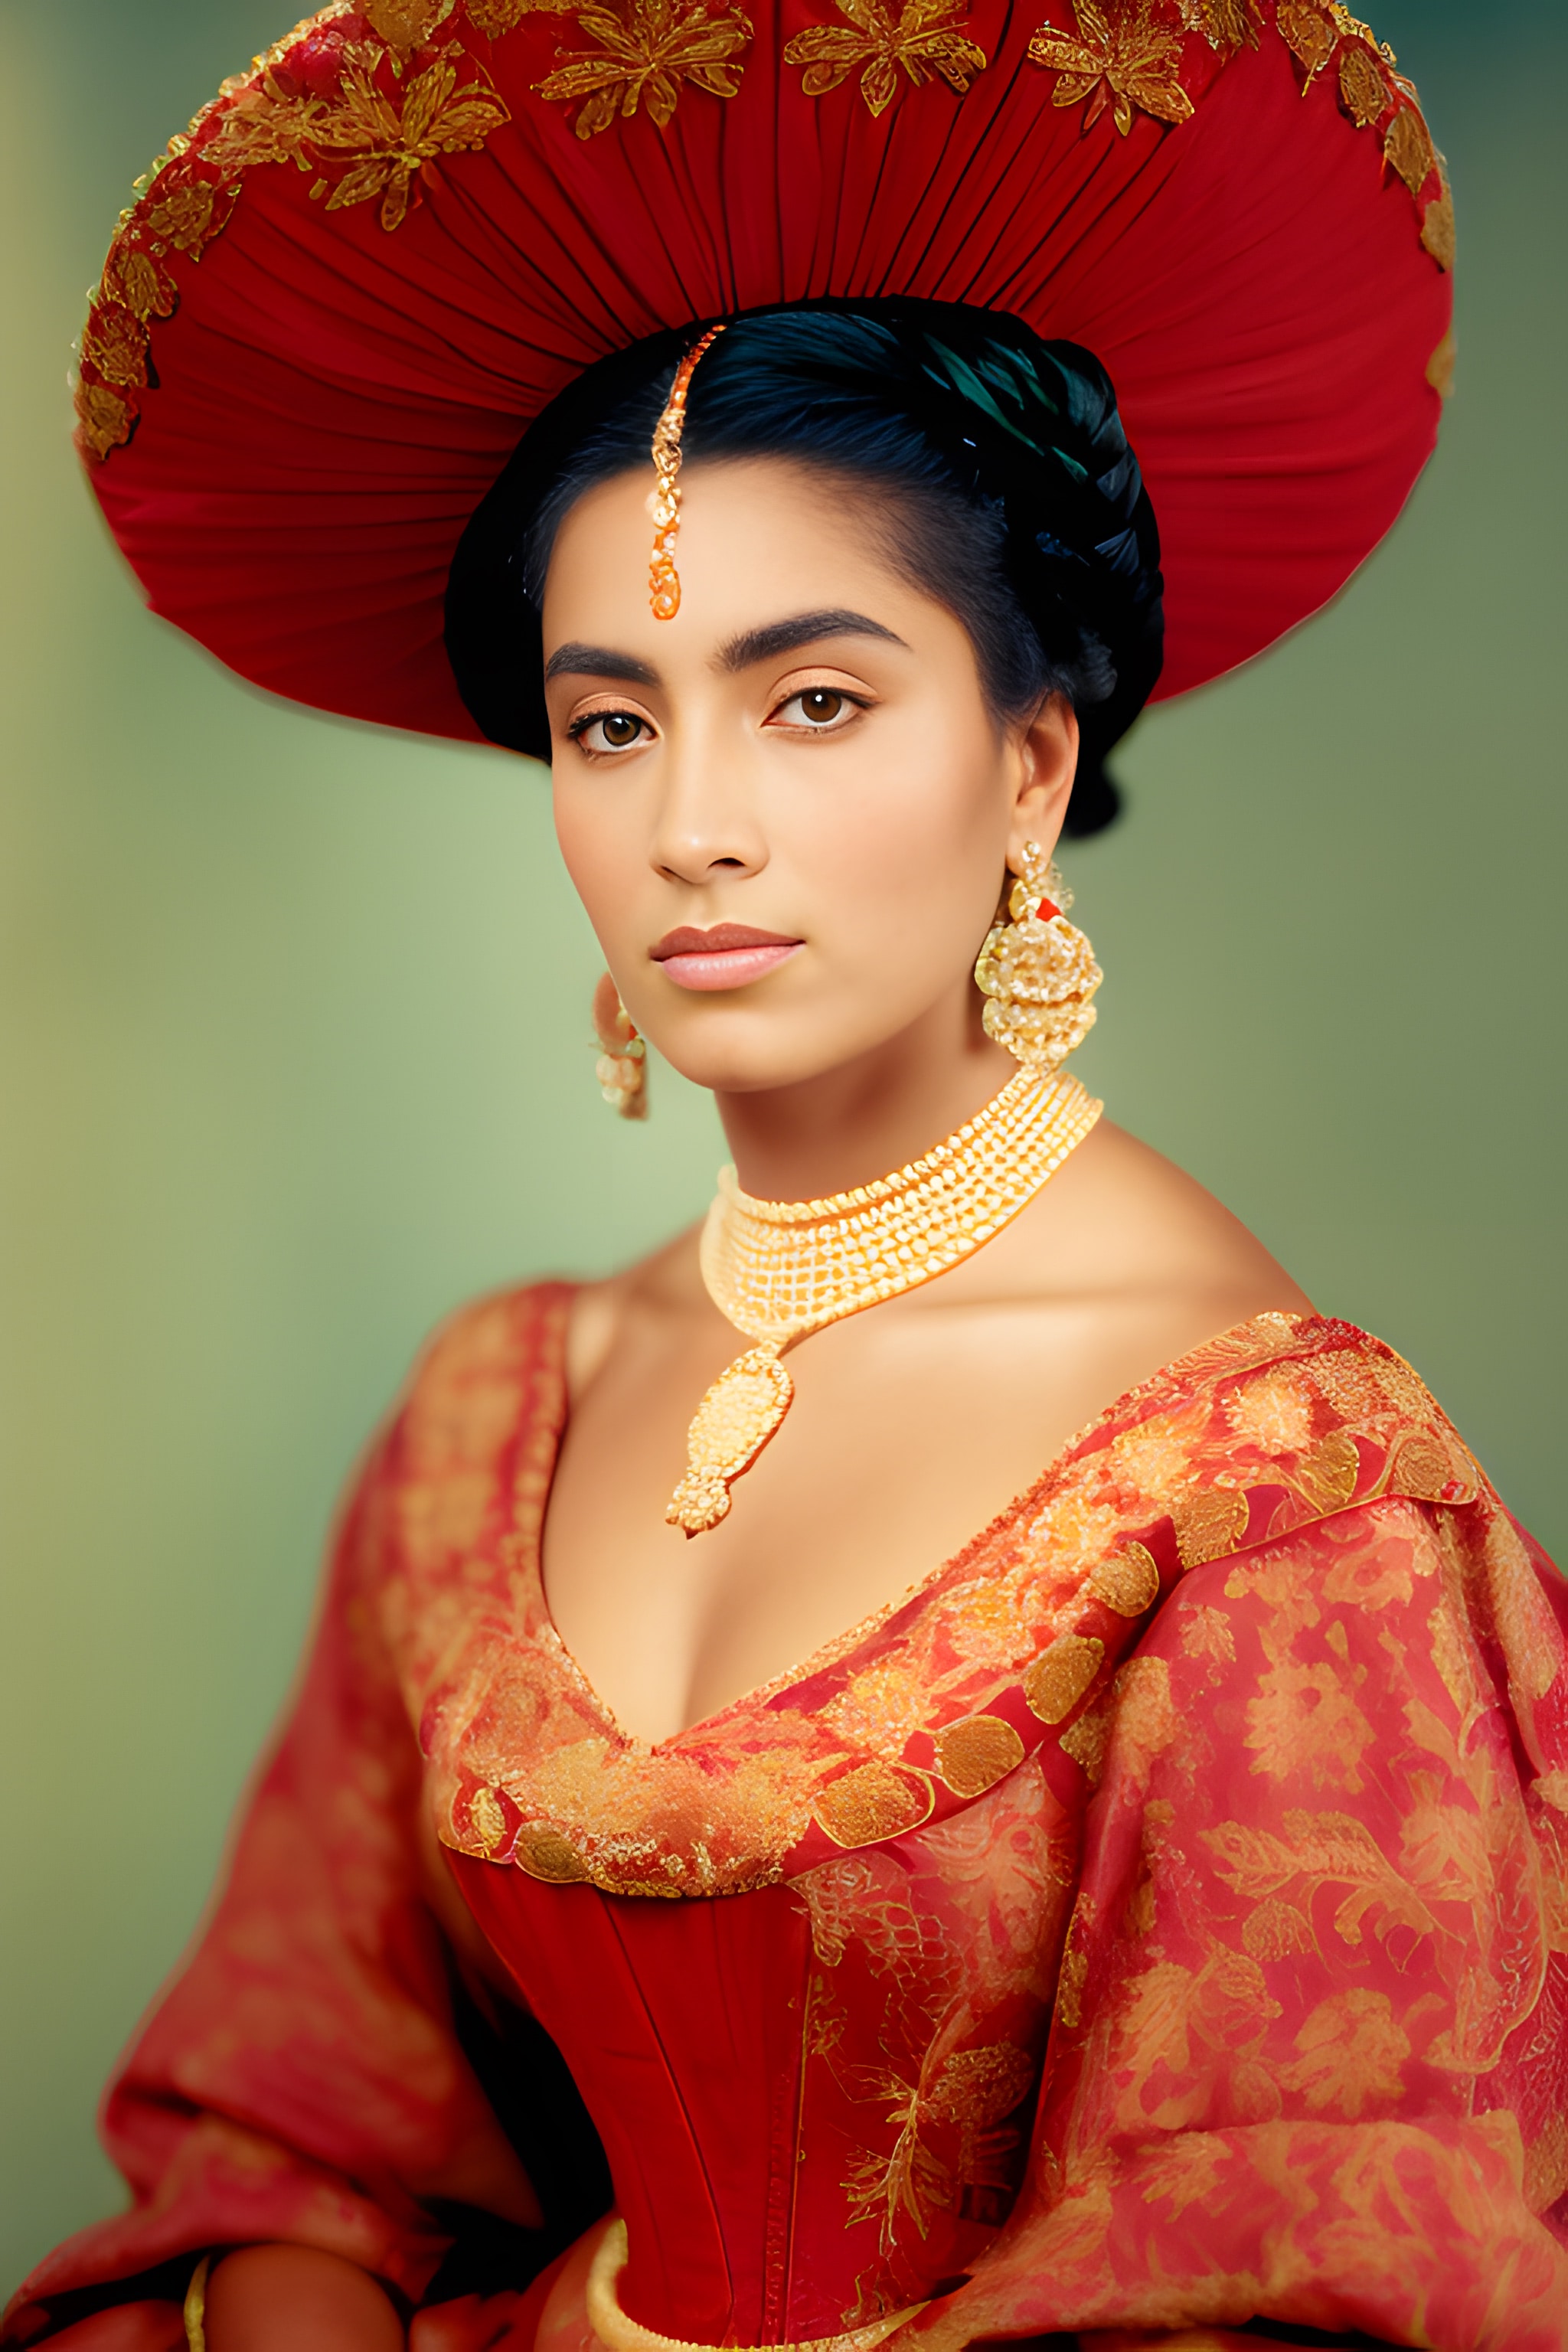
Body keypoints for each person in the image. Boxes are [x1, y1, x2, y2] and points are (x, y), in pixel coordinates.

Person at [9, 5, 1566, 2350]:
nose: (689, 823)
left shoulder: (1283, 1489)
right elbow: (304, 2132)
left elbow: (1300, 2264)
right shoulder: (492, 1415)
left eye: (812, 698)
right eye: (609, 719)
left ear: (1031, 761)